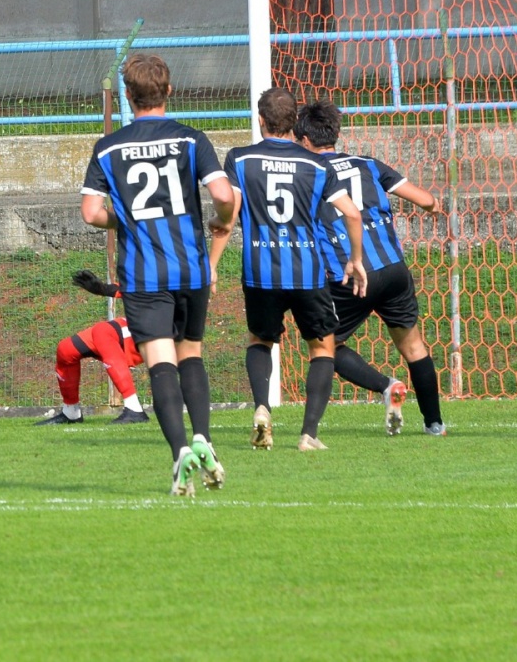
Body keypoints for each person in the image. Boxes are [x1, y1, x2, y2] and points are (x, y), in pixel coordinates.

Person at [81, 53, 236, 496]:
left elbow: (91, 213)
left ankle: (180, 453)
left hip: (143, 274)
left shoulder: (108, 147)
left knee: (160, 364)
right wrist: (223, 219)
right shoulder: (191, 139)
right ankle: (204, 438)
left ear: (129, 96)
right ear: (169, 91)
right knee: (191, 355)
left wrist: (126, 219)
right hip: (190, 268)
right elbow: (223, 194)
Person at [209, 88, 367, 452]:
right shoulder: (317, 165)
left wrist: (212, 265)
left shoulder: (240, 159)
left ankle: (262, 408)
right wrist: (355, 259)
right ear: (295, 122)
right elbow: (352, 214)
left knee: (260, 340)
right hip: (307, 273)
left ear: (260, 120)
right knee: (322, 348)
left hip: (260, 272)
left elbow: (228, 218)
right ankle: (308, 434)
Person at [295, 101, 447, 445]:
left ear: (304, 139)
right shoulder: (367, 163)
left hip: (349, 273)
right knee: (414, 346)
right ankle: (435, 424)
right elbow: (424, 199)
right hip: (393, 269)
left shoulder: (308, 172)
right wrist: (433, 206)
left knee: (326, 348)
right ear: (335, 133)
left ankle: (385, 386)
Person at [33, 270, 151, 426]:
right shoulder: (148, 265)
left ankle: (134, 409)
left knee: (103, 331)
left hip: (157, 327)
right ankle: (71, 412)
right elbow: (134, 288)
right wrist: (101, 288)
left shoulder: (168, 268)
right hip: (138, 322)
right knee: (66, 349)